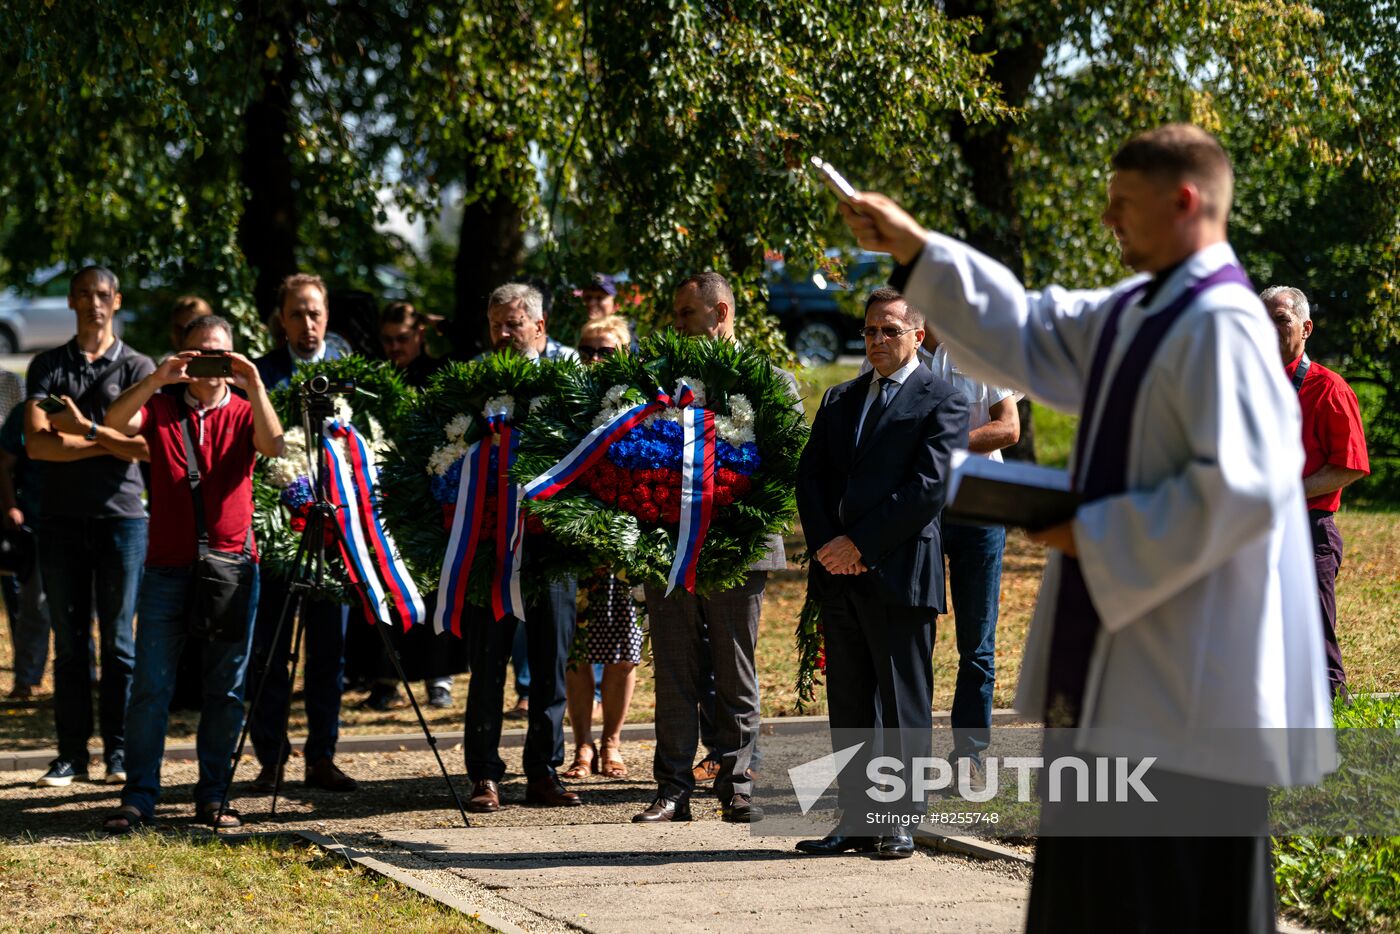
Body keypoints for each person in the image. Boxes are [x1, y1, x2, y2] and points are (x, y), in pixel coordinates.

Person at [841, 124, 1334, 931]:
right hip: (1120, 673)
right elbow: (1027, 331)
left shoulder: (1224, 325)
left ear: (1183, 202)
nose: (1109, 222)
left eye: (1121, 206)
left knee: (1172, 899)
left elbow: (1240, 491)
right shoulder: (1141, 309)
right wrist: (921, 252)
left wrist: (1089, 528)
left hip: (1190, 691)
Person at [794, 294, 969, 859]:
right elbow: (812, 477)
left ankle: (900, 818)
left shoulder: (943, 397)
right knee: (849, 703)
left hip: (899, 571)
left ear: (918, 335)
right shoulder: (842, 397)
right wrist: (828, 545)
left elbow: (929, 486)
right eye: (869, 331)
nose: (875, 341)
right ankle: (856, 816)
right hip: (838, 573)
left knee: (900, 703)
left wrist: (861, 545)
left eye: (889, 331)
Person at [99, 315, 284, 832]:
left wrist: (255, 380)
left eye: (219, 355)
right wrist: (158, 378)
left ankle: (213, 795)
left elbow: (275, 446)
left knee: (225, 689)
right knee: (151, 687)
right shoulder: (160, 408)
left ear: (232, 359)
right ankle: (138, 798)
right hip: (165, 569)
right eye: (200, 353)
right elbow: (114, 424)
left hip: (231, 567)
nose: (209, 364)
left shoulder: (246, 411)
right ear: (184, 356)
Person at [632, 272, 801, 825]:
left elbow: (789, 464)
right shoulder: (659, 384)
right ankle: (673, 787)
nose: (676, 323)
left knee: (735, 665)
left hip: (739, 546)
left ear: (721, 313)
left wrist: (737, 522)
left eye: (686, 313)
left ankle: (738, 782)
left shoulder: (770, 380)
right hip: (671, 547)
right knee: (675, 668)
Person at [858, 285, 1021, 771]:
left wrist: (938, 445)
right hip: (916, 510)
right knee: (911, 636)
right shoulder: (889, 360)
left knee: (976, 642)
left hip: (978, 508)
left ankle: (970, 755)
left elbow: (1008, 428)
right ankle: (907, 757)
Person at [25, 265, 154, 788]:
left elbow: (146, 446)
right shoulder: (48, 366)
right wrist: (105, 438)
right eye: (83, 294)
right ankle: (71, 756)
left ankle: (119, 753)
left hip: (122, 520)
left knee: (120, 643)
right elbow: (37, 445)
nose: (93, 303)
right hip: (60, 522)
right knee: (71, 645)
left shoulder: (139, 366)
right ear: (73, 302)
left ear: (116, 300)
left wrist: (77, 434)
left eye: (102, 294)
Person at [464, 282, 581, 813]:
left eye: (514, 324)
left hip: (551, 543)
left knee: (550, 661)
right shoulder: (475, 382)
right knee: (487, 662)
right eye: (497, 326)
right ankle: (485, 774)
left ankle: (544, 771)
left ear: (540, 326)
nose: (504, 335)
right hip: (491, 542)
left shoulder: (570, 379)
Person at [248, 273, 358, 793]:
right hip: (281, 533)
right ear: (282, 320)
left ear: (327, 315)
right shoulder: (264, 376)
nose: (307, 323)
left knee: (328, 651)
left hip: (336, 534)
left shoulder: (350, 375)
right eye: (297, 314)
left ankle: (322, 757)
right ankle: (271, 757)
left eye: (315, 313)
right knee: (271, 650)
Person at [1261, 285, 1370, 698]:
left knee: (1314, 638)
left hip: (1308, 528)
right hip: (1253, 528)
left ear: (1306, 328)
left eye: (1281, 320)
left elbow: (1350, 466)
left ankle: (1337, 723)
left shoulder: (1329, 388)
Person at [561, 316, 643, 780]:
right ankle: (581, 747)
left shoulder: (640, 404)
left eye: (605, 351)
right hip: (574, 543)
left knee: (622, 649)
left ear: (625, 355)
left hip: (623, 545)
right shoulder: (566, 406)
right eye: (587, 350)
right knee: (577, 651)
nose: (594, 359)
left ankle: (611, 742)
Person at [0, 399, 49, 700]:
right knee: (35, 604)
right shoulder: (27, 411)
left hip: (89, 520)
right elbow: (3, 463)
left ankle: (90, 674)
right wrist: (11, 507)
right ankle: (27, 679)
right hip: (38, 522)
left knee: (87, 606)